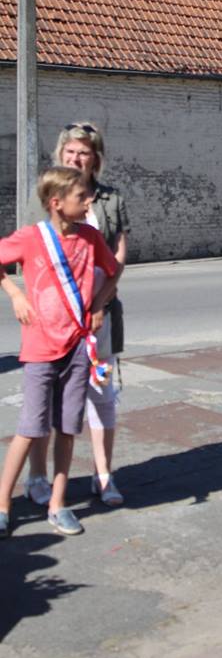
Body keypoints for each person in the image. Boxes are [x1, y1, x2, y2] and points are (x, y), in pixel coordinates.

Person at [0, 166, 119, 538]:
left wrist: (98, 304)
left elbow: (113, 271)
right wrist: (16, 293)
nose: (89, 202)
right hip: (39, 349)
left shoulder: (90, 238)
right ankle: (3, 504)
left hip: (78, 349)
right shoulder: (32, 238)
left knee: (67, 428)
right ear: (57, 203)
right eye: (81, 197)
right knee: (30, 429)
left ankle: (58, 502)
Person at [25, 122, 130, 507]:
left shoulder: (110, 200)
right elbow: (31, 252)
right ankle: (38, 477)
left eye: (84, 152)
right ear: (61, 156)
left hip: (99, 315)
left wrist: (99, 303)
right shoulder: (48, 192)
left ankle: (103, 475)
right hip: (54, 320)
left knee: (101, 395)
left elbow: (118, 257)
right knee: (46, 399)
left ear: (95, 158)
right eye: (70, 152)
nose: (77, 158)